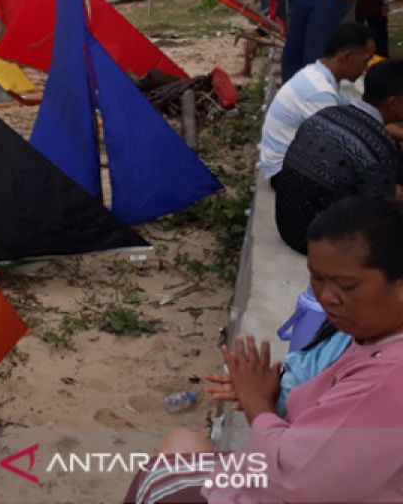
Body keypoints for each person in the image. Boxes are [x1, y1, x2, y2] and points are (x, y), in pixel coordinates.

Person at [128, 195, 403, 503]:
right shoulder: (371, 334)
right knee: (182, 442)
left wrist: (257, 401)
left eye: (347, 286)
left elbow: (294, 479)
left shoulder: (389, 377)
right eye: (316, 278)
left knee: (160, 480)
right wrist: (271, 394)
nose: (327, 297)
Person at [273, 59, 403, 254]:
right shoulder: (379, 144)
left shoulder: (326, 114)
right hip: (322, 244)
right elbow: (379, 215)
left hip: (287, 227)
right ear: (394, 102)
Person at [259, 22, 375, 181]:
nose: (366, 68)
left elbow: (357, 109)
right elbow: (338, 149)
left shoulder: (319, 74)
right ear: (346, 56)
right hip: (283, 173)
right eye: (366, 60)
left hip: (292, 160)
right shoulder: (319, 92)